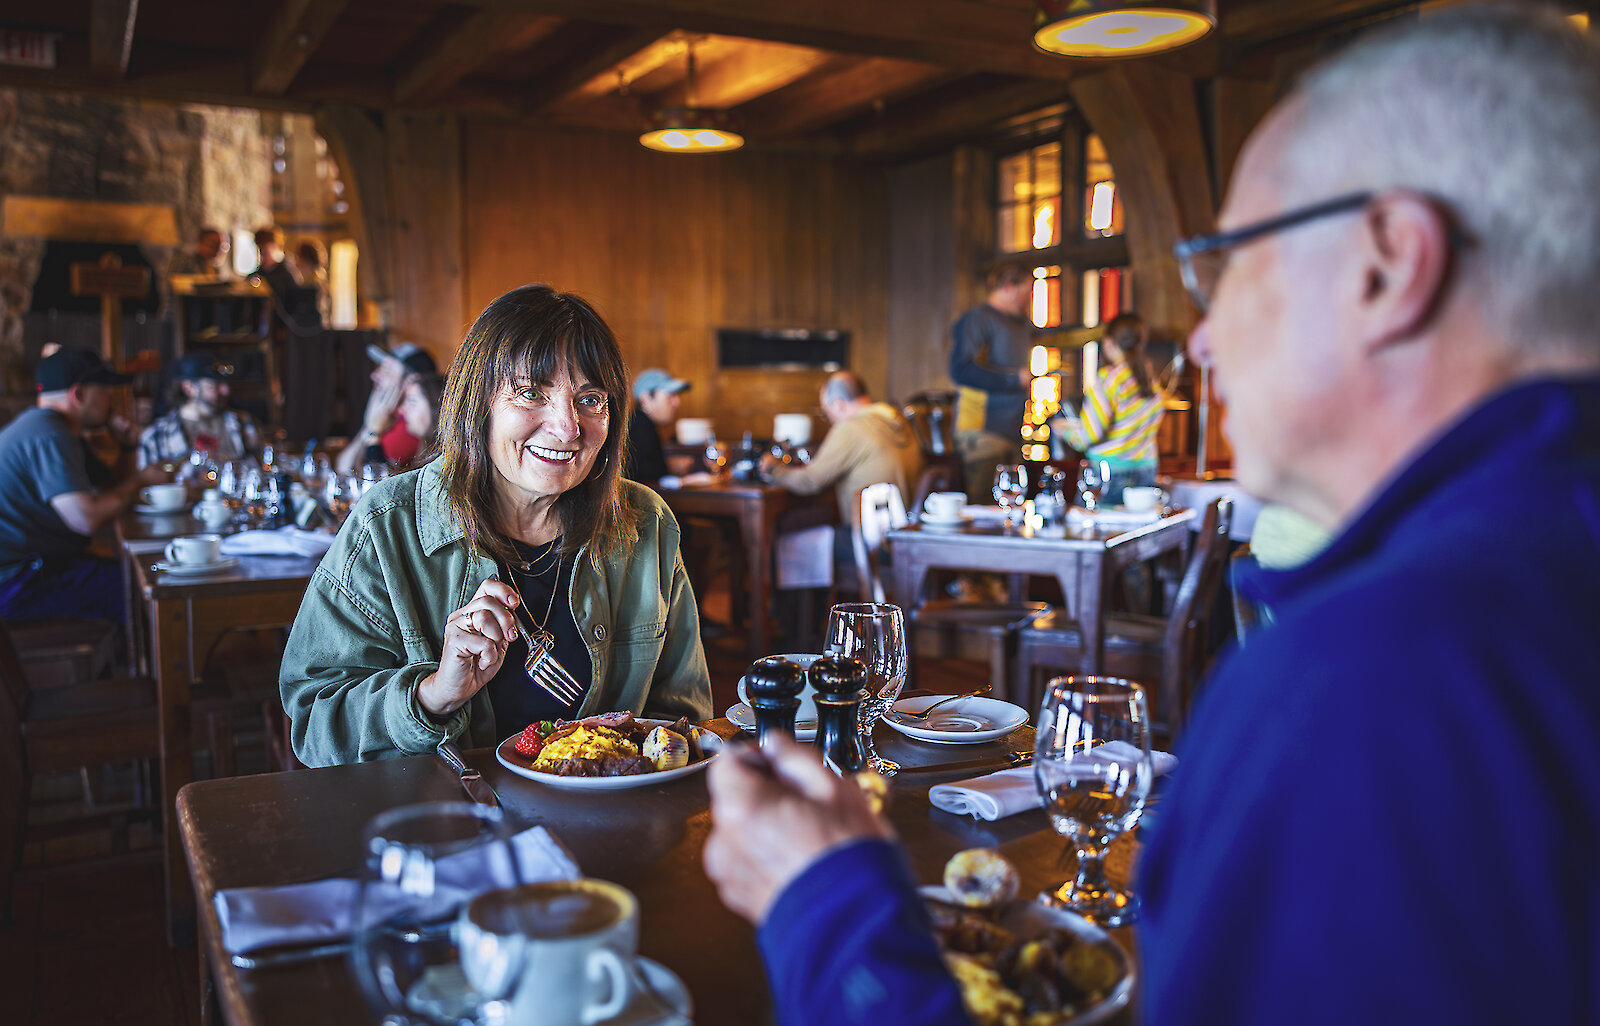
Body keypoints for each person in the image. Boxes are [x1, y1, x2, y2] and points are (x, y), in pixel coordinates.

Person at [702, 7, 1600, 1025]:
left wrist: (827, 909)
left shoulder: (1377, 684)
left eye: (1228, 265)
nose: (1204, 341)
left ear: (1385, 264)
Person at [280, 284, 713, 765]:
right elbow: (316, 726)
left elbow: (684, 719)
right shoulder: (388, 526)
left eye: (591, 399)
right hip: (444, 826)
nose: (568, 428)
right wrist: (432, 695)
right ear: (476, 403)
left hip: (606, 825)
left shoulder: (644, 524)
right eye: (530, 393)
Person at [0, 349, 173, 622]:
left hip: (36, 567)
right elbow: (87, 519)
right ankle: (150, 663)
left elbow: (113, 487)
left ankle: (133, 661)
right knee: (145, 589)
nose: (110, 401)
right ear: (78, 395)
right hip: (17, 581)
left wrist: (127, 443)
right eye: (104, 392)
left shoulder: (61, 429)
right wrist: (142, 480)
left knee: (139, 576)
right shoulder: (49, 434)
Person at [762, 370, 923, 526]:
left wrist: (772, 469)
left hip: (870, 541)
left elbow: (810, 481)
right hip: (904, 534)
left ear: (838, 405)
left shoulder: (852, 428)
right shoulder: (898, 420)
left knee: (784, 535)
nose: (830, 420)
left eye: (826, 413)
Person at [1052, 312, 1166, 503]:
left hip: (1109, 471)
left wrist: (1063, 430)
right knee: (1141, 530)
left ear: (1109, 342)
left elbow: (1090, 435)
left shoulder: (1108, 380)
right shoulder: (1152, 381)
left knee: (1099, 530)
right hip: (1147, 468)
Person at [948, 263, 1034, 500]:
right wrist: (1012, 379)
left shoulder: (1019, 325)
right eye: (1027, 292)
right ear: (1008, 287)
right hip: (981, 434)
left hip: (1011, 433)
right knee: (984, 513)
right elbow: (961, 369)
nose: (1030, 299)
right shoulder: (978, 320)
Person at [137, 352, 264, 467]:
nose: (226, 391)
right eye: (215, 385)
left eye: (226, 384)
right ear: (189, 388)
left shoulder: (244, 424)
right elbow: (147, 488)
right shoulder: (155, 437)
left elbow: (265, 470)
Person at [345, 341, 439, 471]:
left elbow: (371, 478)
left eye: (387, 369)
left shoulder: (411, 424)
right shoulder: (388, 415)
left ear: (411, 379)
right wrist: (369, 426)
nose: (374, 375)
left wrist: (373, 432)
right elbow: (342, 466)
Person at [333, 370, 443, 477]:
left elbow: (380, 487)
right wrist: (369, 428)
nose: (402, 410)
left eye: (412, 401)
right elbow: (344, 470)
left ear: (437, 407)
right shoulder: (422, 450)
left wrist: (374, 435)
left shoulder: (441, 462)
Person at [625, 367, 692, 487]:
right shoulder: (639, 428)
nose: (677, 402)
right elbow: (638, 474)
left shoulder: (642, 423)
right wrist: (669, 467)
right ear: (646, 399)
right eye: (670, 395)